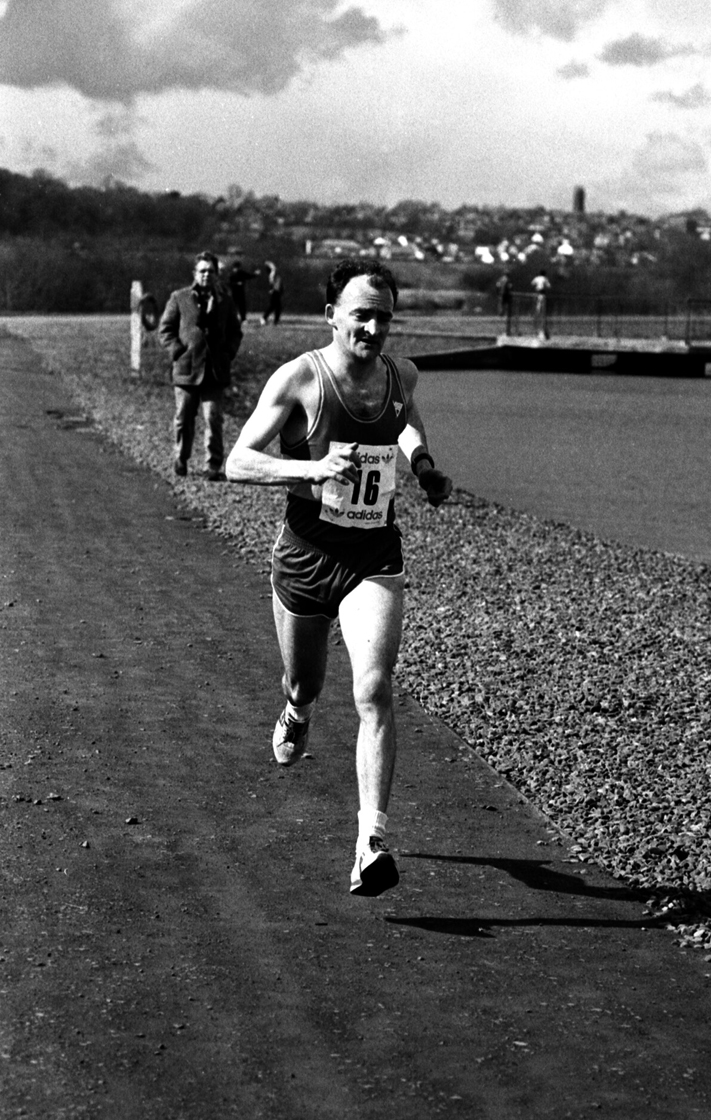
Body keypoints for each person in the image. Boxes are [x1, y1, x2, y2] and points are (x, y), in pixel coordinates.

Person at [226, 259, 452, 897]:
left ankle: (370, 842)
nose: (374, 327)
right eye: (361, 314)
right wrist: (311, 468)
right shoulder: (300, 378)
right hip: (303, 555)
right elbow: (239, 462)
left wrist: (425, 464)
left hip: (373, 555)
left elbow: (405, 419)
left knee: (375, 689)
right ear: (332, 316)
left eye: (384, 316)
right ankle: (296, 708)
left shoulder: (400, 375)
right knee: (307, 683)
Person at [159, 251, 242, 481]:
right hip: (187, 370)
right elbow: (165, 330)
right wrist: (178, 351)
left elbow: (235, 332)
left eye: (211, 271)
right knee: (184, 417)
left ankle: (213, 466)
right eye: (202, 271)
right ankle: (181, 458)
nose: (206, 275)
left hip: (215, 371)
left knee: (214, 418)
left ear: (217, 274)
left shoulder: (225, 300)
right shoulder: (179, 297)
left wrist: (228, 354)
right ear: (195, 273)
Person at [261, 260, 284, 325]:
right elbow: (273, 267)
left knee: (275, 306)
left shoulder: (274, 274)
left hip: (276, 291)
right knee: (275, 306)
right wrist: (268, 263)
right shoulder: (272, 274)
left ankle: (273, 320)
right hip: (275, 292)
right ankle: (266, 318)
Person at [531, 269, 551, 340]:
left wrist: (537, 283)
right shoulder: (544, 278)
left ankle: (536, 330)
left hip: (537, 294)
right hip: (542, 295)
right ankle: (542, 331)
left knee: (537, 312)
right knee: (542, 313)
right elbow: (549, 286)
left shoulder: (537, 278)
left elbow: (532, 283)